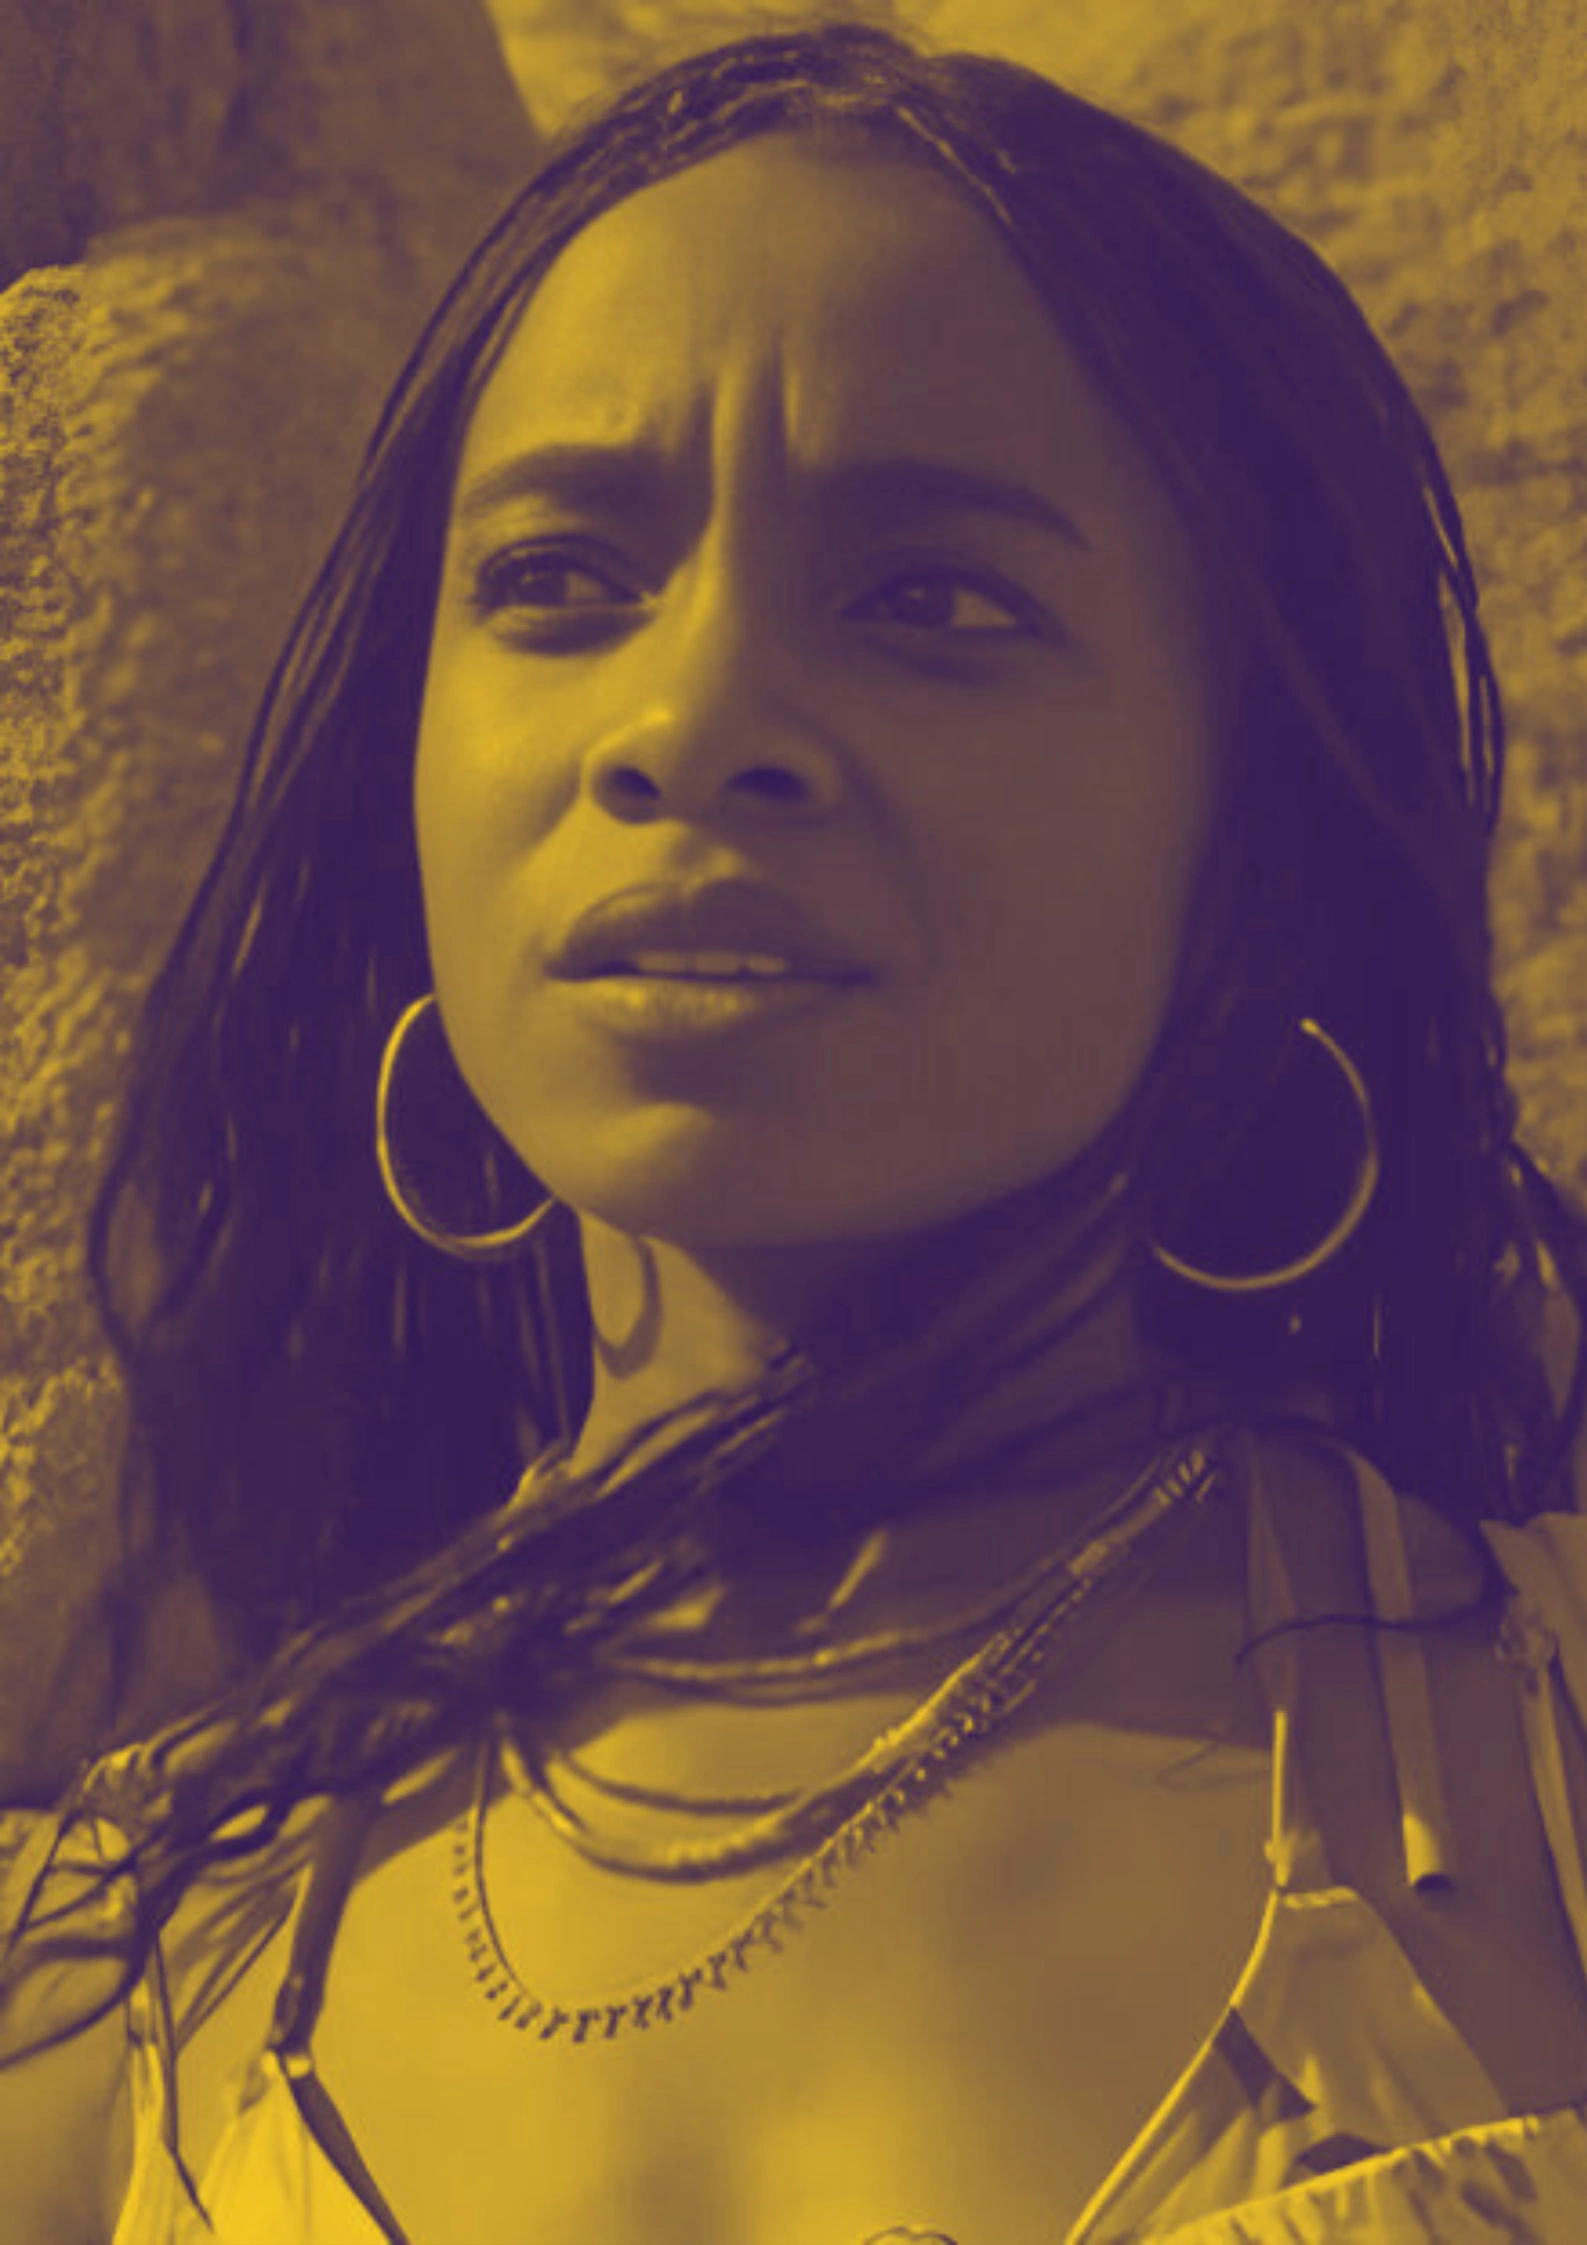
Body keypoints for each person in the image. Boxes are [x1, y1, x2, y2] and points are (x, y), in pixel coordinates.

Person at [5, 19, 1587, 2241]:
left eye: (933, 599)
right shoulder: (137, 1963)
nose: (688, 719)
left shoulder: (1528, 1766)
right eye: (558, 579)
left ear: (1257, 831)